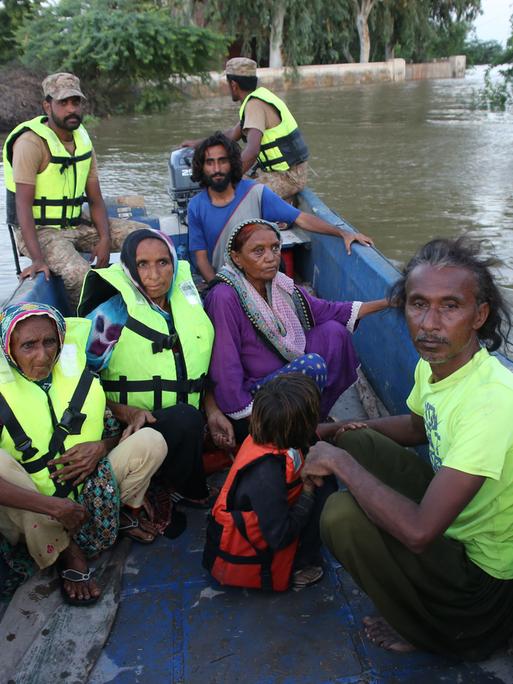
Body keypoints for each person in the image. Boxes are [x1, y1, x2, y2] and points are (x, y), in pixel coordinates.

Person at [302, 238, 513, 661]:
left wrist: (340, 463)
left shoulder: (493, 401)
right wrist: (335, 429)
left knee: (341, 516)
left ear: (480, 315)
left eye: (450, 306)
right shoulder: (436, 363)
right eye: (418, 304)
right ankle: (422, 601)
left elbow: (419, 532)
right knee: (357, 437)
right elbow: (419, 426)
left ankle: (426, 627)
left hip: (485, 586)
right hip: (456, 530)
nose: (429, 323)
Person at [0, 302, 167, 605]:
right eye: (28, 345)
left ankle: (118, 513)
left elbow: (104, 417)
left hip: (91, 487)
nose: (43, 355)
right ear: (9, 348)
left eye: (50, 341)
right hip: (35, 510)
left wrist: (102, 447)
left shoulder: (77, 373)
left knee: (152, 440)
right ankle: (67, 553)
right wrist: (53, 506)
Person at [78, 227, 235, 507]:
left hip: (187, 417)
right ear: (128, 267)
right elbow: (79, 386)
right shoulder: (110, 316)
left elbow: (197, 369)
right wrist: (127, 412)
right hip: (134, 427)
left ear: (174, 263)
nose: (154, 274)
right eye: (143, 264)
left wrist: (212, 410)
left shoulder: (186, 304)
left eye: (163, 262)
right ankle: (188, 489)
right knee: (186, 418)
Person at [204, 219, 388, 442]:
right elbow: (225, 363)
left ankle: (311, 420)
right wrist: (249, 417)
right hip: (255, 395)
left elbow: (328, 310)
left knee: (334, 333)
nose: (271, 257)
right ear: (236, 258)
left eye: (275, 248)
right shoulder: (224, 296)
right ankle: (286, 428)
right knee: (312, 366)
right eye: (258, 251)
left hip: (283, 374)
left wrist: (387, 302)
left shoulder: (278, 284)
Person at [2, 72, 147, 308]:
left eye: (76, 102)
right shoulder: (30, 144)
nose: (71, 109)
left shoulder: (83, 141)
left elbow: (95, 199)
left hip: (76, 222)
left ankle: (149, 305)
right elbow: (23, 206)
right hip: (40, 230)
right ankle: (86, 323)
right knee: (79, 275)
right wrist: (37, 259)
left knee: (144, 236)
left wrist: (104, 239)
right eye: (63, 103)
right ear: (47, 106)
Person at [203, 374, 337, 591]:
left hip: (270, 517)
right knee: (326, 489)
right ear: (301, 426)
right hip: (267, 542)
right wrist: (308, 491)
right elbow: (279, 536)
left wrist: (341, 429)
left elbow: (309, 440)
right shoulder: (266, 474)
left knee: (326, 478)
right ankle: (300, 567)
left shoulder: (271, 432)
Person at [187, 131, 373, 283]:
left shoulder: (255, 193)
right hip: (226, 282)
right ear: (201, 167)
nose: (217, 168)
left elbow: (301, 218)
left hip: (259, 278)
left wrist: (342, 233)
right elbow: (201, 258)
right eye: (210, 163)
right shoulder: (196, 207)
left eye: (222, 161)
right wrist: (217, 286)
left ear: (232, 163)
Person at [182, 57, 309, 200]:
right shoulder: (259, 98)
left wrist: (228, 180)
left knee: (230, 193)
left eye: (228, 83)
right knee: (222, 177)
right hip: (288, 172)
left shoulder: (254, 105)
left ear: (234, 85)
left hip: (287, 177)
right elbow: (231, 135)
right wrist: (198, 144)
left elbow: (252, 151)